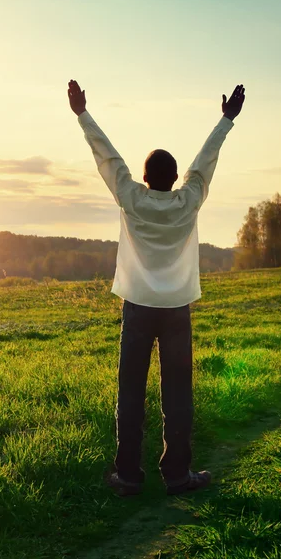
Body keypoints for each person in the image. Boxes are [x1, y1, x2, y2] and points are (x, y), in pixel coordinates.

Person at [68, 79, 245, 496]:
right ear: (173, 178)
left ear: (145, 178)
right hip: (177, 308)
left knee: (130, 391)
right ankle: (178, 476)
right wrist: (226, 120)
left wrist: (82, 113)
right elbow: (204, 163)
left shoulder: (131, 197)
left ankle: (128, 476)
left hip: (138, 307)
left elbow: (107, 157)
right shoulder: (189, 201)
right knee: (177, 393)